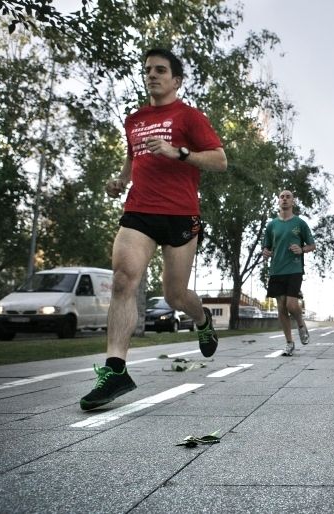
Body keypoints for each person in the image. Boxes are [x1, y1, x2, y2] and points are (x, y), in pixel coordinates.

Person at [80, 48, 228, 410]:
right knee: (122, 279)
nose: (152, 75)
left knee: (175, 295)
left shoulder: (189, 116)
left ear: (176, 80)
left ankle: (202, 317)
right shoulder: (134, 119)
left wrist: (178, 153)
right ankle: (116, 371)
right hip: (139, 211)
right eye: (147, 70)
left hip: (180, 214)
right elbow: (133, 157)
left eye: (161, 70)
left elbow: (220, 160)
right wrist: (119, 180)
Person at [262, 190, 316, 356]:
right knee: (281, 307)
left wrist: (301, 249)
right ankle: (289, 343)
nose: (284, 199)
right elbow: (266, 247)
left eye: (288, 197)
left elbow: (312, 245)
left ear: (293, 202)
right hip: (277, 270)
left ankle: (301, 324)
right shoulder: (271, 225)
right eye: (282, 197)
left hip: (294, 268)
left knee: (291, 304)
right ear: (279, 201)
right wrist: (266, 252)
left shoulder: (300, 223)